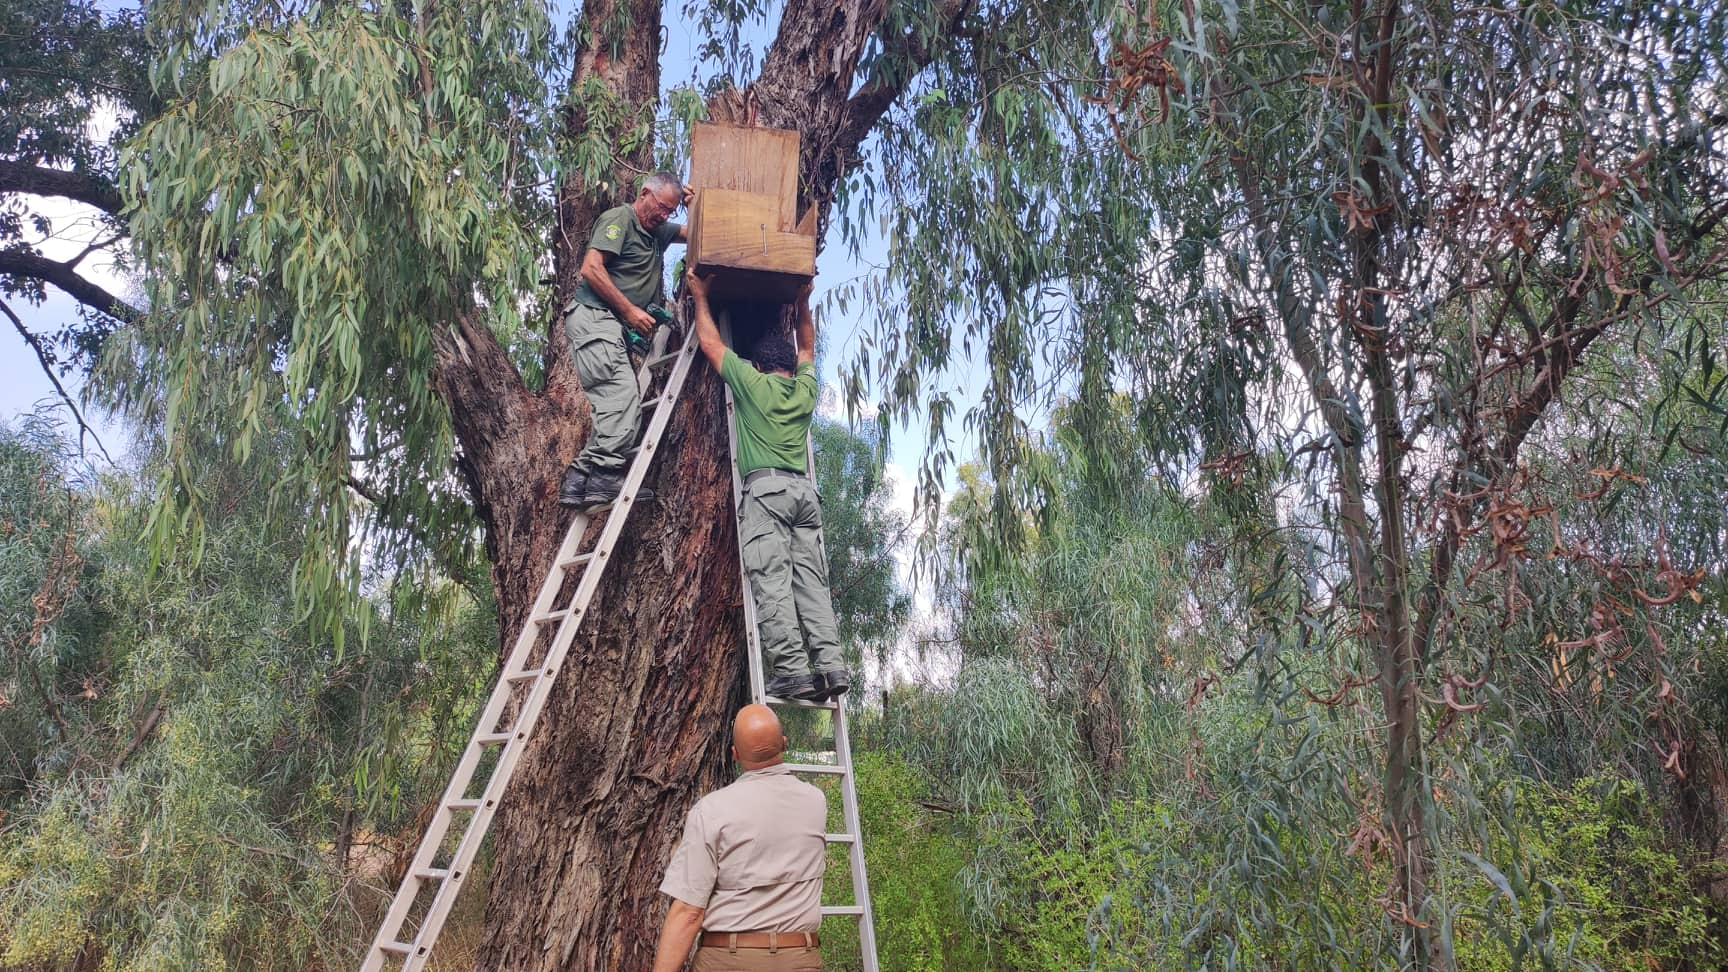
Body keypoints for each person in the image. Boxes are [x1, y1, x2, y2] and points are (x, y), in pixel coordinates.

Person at [684, 270, 850, 703]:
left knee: (773, 581)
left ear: (758, 365)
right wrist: (803, 305)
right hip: (804, 496)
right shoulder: (804, 390)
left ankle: (792, 672)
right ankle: (831, 666)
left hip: (768, 496)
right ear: (789, 366)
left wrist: (700, 296)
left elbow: (710, 344)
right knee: (811, 584)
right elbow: (809, 345)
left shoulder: (752, 384)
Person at [650, 704, 826, 972]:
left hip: (727, 961)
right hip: (799, 958)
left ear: (734, 754)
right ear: (784, 743)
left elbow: (688, 911)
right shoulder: (816, 802)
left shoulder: (711, 811)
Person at [558, 172, 694, 509]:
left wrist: (694, 206)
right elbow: (590, 268)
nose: (663, 216)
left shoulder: (657, 231)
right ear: (645, 193)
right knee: (622, 398)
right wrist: (630, 311)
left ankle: (579, 480)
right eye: (661, 207)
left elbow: (697, 235)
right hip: (594, 318)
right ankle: (605, 478)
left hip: (608, 327)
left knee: (615, 406)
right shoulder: (620, 218)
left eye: (670, 212)